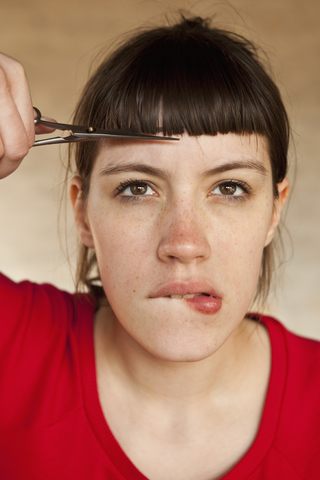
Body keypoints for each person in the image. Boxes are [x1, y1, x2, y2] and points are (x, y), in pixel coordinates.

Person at [0, 15, 319, 480]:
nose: (185, 244)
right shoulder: (11, 350)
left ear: (274, 209)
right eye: (138, 188)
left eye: (229, 188)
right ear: (83, 211)